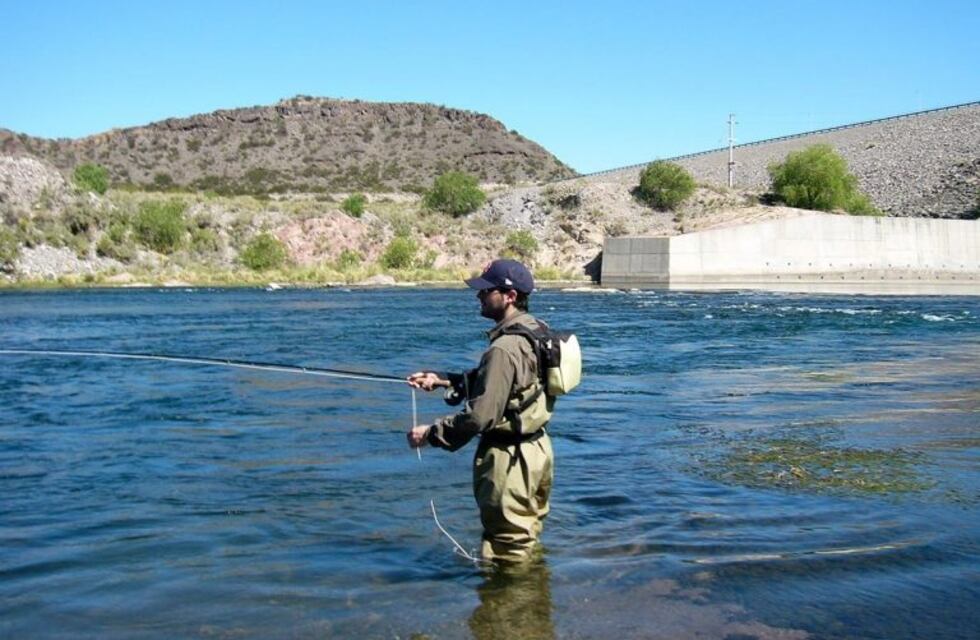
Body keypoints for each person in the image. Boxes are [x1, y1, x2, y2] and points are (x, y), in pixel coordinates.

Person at [407, 258, 556, 563]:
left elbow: (480, 416)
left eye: (487, 290)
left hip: (509, 461)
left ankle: (508, 608)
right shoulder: (536, 330)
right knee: (526, 539)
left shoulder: (503, 348)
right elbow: (509, 383)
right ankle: (535, 602)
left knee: (506, 551)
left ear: (509, 296)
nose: (479, 296)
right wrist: (442, 380)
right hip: (537, 450)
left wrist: (432, 434)